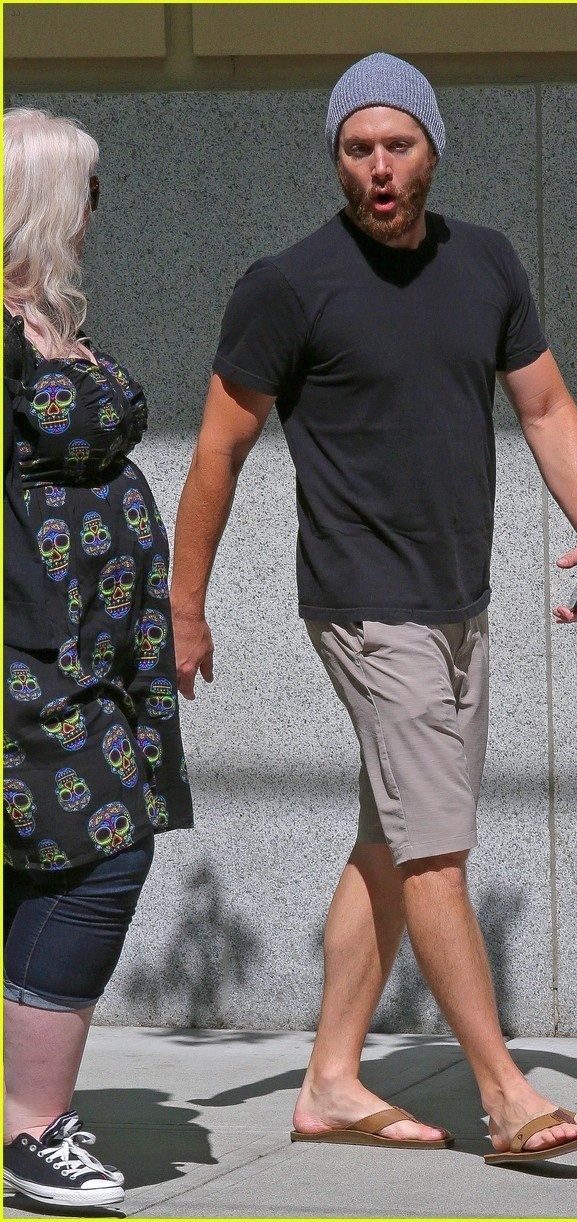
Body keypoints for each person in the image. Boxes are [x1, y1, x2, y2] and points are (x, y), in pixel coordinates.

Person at [171, 53, 577, 1164]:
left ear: (432, 149)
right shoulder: (288, 285)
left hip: (457, 597)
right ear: (336, 158)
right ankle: (506, 1097)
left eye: (397, 145)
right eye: (357, 148)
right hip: (365, 605)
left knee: (390, 839)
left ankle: (329, 1081)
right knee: (435, 855)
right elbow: (218, 451)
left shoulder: (487, 263)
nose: (377, 167)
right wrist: (186, 606)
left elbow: (545, 403)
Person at [3, 109, 194, 1208]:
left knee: (44, 863)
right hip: (28, 655)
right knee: (96, 853)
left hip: (93, 648)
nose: (95, 212)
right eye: (87, 190)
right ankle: (33, 1130)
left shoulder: (43, 320)